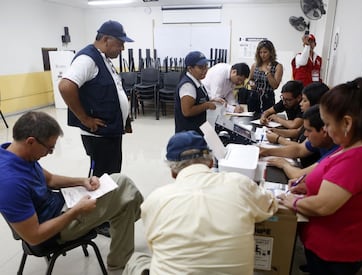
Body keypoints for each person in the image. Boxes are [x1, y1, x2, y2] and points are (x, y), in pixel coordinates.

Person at [278, 77, 362, 275]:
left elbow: (323, 205)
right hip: (330, 247)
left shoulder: (360, 158)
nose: (326, 131)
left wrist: (292, 201)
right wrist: (308, 186)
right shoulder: (356, 146)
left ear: (347, 122)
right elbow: (344, 186)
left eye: (328, 124)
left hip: (336, 252)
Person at [0, 111, 144, 271]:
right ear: (31, 142)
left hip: (59, 207)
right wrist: (76, 211)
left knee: (119, 189)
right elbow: (34, 237)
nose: (48, 154)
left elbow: (50, 180)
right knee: (123, 189)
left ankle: (122, 256)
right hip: (54, 232)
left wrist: (82, 181)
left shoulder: (15, 154)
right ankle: (143, 217)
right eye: (49, 149)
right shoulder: (10, 182)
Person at [123, 131, 278, 274]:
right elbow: (270, 204)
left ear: (173, 172)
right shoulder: (240, 184)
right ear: (211, 162)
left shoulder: (155, 200)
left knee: (137, 261)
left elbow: (155, 247)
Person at [59, 20, 133, 178]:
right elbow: (66, 86)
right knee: (100, 176)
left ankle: (108, 201)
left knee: (111, 172)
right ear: (106, 39)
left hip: (110, 130)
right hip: (99, 135)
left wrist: (124, 119)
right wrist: (85, 119)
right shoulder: (88, 59)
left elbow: (112, 91)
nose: (122, 48)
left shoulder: (103, 58)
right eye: (120, 43)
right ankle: (97, 203)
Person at [261, 105, 338, 179]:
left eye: (309, 130)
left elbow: (299, 176)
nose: (305, 134)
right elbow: (299, 150)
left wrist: (284, 164)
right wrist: (267, 151)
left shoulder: (336, 152)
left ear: (324, 131)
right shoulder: (323, 140)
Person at [174, 51, 219, 135]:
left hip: (197, 130)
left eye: (206, 66)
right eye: (201, 67)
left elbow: (198, 101)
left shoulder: (197, 81)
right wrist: (207, 105)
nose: (205, 70)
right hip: (188, 134)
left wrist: (212, 101)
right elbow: (187, 111)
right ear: (190, 68)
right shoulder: (188, 86)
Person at [248, 39, 283, 113]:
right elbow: (250, 79)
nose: (262, 55)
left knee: (267, 119)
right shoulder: (255, 65)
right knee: (251, 119)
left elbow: (275, 85)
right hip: (254, 97)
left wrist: (268, 73)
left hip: (268, 98)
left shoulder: (277, 66)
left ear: (271, 52)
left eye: (265, 52)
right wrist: (251, 83)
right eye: (260, 52)